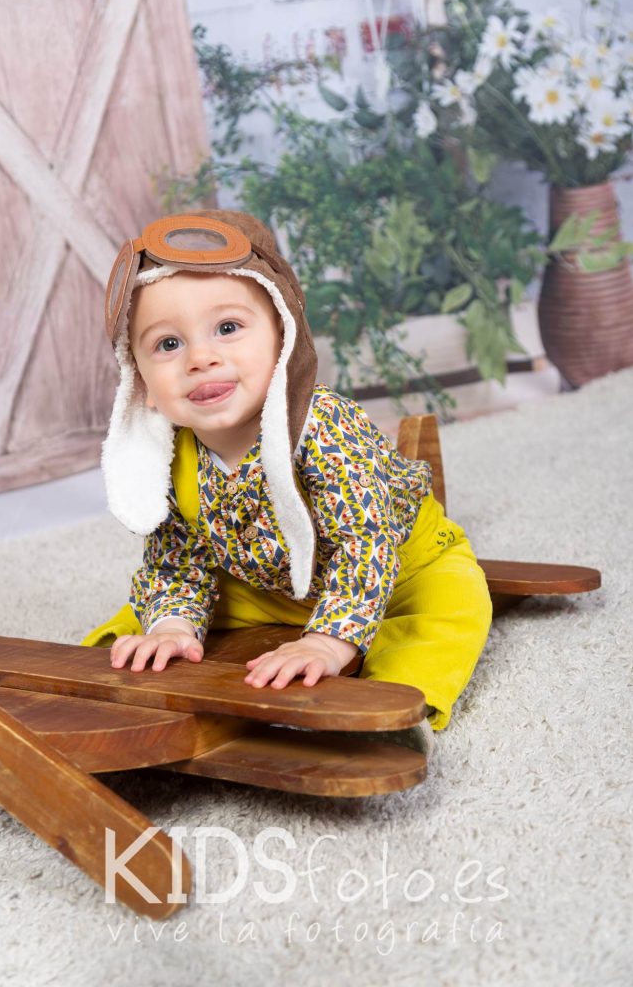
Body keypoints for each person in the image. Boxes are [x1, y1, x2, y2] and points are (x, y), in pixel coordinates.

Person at [82, 210, 493, 751]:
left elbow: (364, 545)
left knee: (455, 603)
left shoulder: (323, 427)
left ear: (283, 339)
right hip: (266, 582)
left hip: (394, 568)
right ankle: (114, 672)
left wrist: (327, 642)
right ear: (142, 384)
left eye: (227, 329)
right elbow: (178, 557)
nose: (202, 358)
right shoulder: (170, 456)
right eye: (167, 345)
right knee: (150, 609)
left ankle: (394, 706)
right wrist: (173, 625)